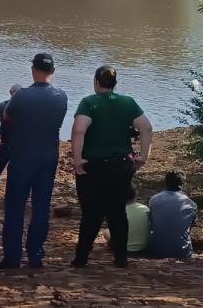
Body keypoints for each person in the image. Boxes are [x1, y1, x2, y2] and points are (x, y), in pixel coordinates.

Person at [71, 65, 153, 268]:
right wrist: (143, 156)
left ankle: (82, 257)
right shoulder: (128, 103)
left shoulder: (89, 102)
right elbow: (146, 128)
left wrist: (78, 159)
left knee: (91, 213)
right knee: (117, 211)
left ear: (96, 82)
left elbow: (79, 130)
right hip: (120, 165)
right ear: (114, 83)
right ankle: (121, 257)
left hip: (94, 166)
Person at [0, 54, 68, 269]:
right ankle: (35, 254)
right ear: (53, 71)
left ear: (33, 70)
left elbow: (7, 118)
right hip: (48, 156)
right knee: (41, 206)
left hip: (22, 155)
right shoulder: (61, 97)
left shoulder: (21, 96)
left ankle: (12, 256)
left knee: (15, 206)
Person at [148, 172, 198, 259]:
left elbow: (151, 222)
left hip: (156, 250)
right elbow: (191, 225)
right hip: (182, 252)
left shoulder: (154, 200)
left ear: (165, 182)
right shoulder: (190, 204)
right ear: (181, 183)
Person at [104, 185, 150, 255]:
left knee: (106, 231)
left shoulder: (116, 210)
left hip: (122, 248)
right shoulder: (145, 208)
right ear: (135, 194)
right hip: (143, 247)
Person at [0, 83, 24, 174]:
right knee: (16, 173)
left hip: (5, 144)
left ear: (10, 92)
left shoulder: (2, 106)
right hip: (20, 146)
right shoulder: (27, 108)